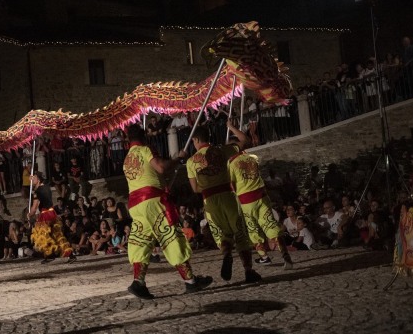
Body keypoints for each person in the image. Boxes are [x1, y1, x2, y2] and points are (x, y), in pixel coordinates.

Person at [123, 124, 212, 300]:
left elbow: (152, 175)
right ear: (144, 137)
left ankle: (138, 282)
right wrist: (177, 158)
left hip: (136, 206)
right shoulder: (144, 150)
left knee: (141, 241)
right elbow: (161, 167)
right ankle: (191, 282)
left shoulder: (126, 159)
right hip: (153, 202)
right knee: (171, 237)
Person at [186, 122, 260, 283]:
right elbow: (246, 141)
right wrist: (231, 127)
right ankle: (248, 270)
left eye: (193, 141)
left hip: (209, 199)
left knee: (223, 234)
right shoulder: (221, 150)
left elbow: (195, 188)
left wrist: (207, 184)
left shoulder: (191, 161)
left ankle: (226, 254)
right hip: (227, 194)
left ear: (197, 139)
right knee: (240, 232)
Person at [227, 143, 294, 269]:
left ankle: (264, 257)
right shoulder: (252, 158)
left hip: (247, 200)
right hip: (262, 196)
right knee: (271, 225)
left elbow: (231, 185)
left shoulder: (231, 164)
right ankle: (285, 255)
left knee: (253, 229)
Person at [28, 172, 75, 264]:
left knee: (43, 236)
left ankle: (49, 255)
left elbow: (34, 207)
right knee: (57, 235)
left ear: (38, 179)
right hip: (52, 213)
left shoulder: (37, 192)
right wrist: (33, 182)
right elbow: (39, 189)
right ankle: (70, 254)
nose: (32, 180)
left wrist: (30, 214)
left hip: (45, 215)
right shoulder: (46, 187)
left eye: (34, 178)